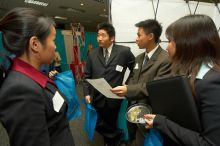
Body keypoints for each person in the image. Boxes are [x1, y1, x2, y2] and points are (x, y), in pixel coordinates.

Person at [0, 8, 75, 146]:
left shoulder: (33, 76)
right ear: (35, 44)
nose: (55, 46)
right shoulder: (20, 90)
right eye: (53, 40)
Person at [144, 14, 220, 146]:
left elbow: (210, 143)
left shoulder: (212, 83)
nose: (167, 47)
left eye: (170, 41)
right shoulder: (190, 73)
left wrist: (162, 122)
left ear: (189, 43)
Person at [111, 19, 171, 146]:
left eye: (139, 35)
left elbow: (157, 87)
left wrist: (128, 90)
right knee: (132, 140)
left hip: (148, 114)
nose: (136, 38)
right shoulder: (139, 58)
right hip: (132, 111)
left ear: (150, 36)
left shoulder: (165, 59)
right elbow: (133, 78)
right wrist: (125, 88)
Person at [83, 22, 135, 146]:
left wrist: (127, 85)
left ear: (112, 38)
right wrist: (87, 93)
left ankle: (111, 142)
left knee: (111, 123)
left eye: (103, 35)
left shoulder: (124, 52)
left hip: (113, 98)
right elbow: (86, 76)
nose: (99, 38)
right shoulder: (92, 54)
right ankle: (117, 136)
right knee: (97, 123)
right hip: (96, 97)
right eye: (98, 35)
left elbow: (135, 70)